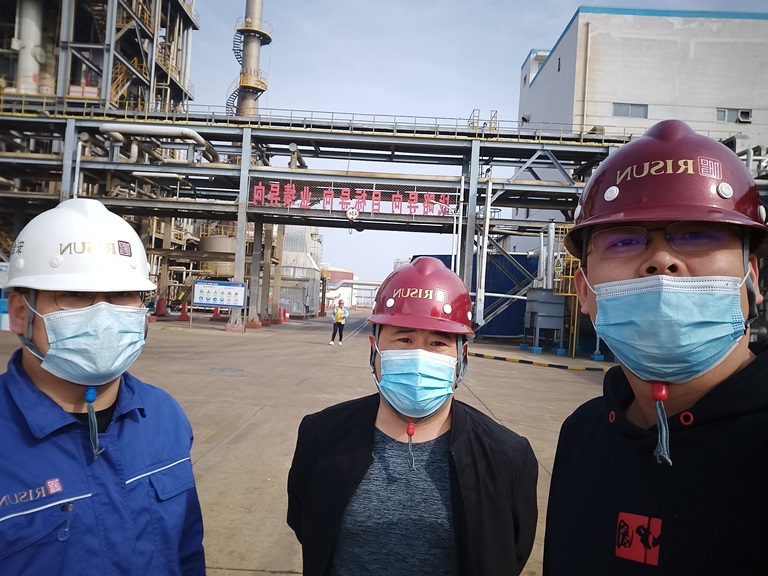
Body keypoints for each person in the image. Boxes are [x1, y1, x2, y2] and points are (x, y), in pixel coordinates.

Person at [544, 119, 768, 575]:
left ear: (751, 277)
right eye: (624, 240)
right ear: (585, 291)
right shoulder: (582, 436)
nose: (661, 260)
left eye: (697, 234)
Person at [288, 256, 538, 576]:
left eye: (438, 342)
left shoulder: (507, 456)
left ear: (461, 357)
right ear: (374, 348)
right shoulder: (321, 435)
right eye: (404, 339)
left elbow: (507, 552)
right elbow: (308, 527)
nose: (419, 355)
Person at [0, 199, 206, 574]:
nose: (104, 314)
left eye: (123, 294)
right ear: (19, 312)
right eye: (76, 295)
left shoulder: (163, 417)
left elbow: (187, 552)